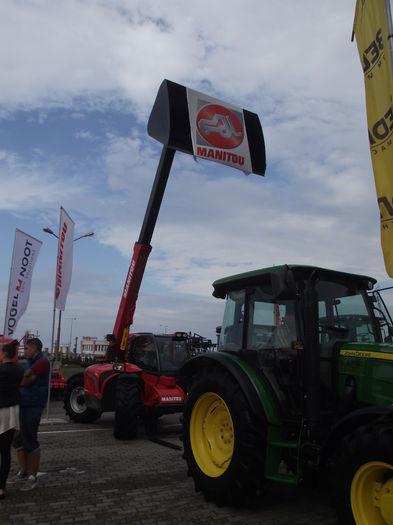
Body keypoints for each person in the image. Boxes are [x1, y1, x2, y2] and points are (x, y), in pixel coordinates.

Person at [8, 338, 49, 492]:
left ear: (34, 348)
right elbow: (24, 377)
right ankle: (23, 471)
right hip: (24, 402)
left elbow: (26, 382)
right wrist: (24, 374)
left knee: (30, 438)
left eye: (26, 349)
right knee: (19, 438)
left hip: (33, 404)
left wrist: (24, 376)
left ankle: (33, 476)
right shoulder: (32, 362)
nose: (24, 352)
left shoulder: (42, 362)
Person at [0, 339, 24, 498]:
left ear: (4, 353)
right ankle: (1, 486)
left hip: (1, 411)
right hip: (12, 412)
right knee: (5, 451)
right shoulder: (19, 370)